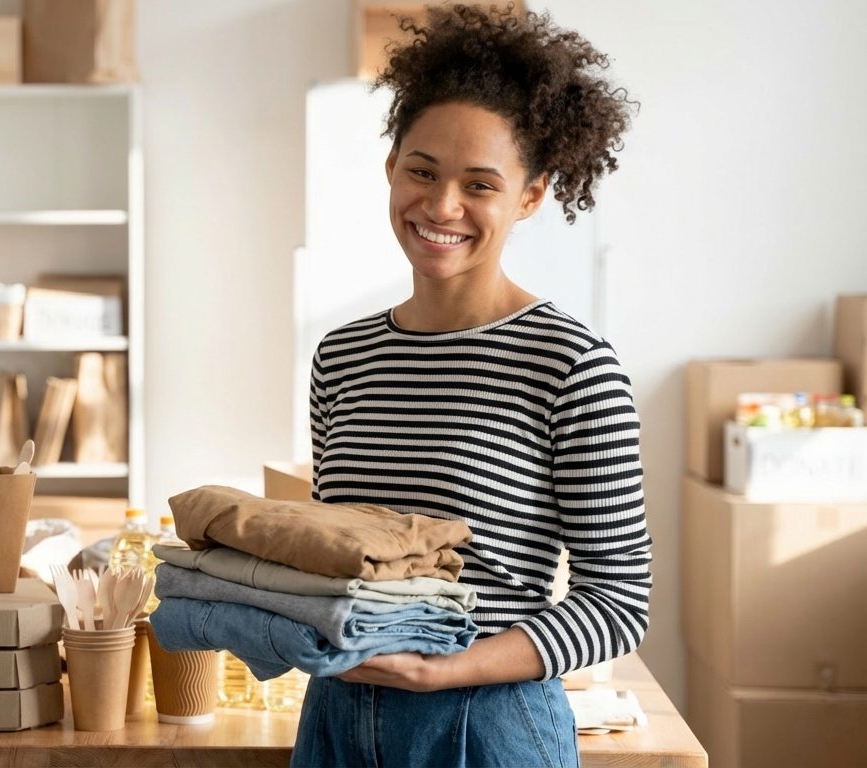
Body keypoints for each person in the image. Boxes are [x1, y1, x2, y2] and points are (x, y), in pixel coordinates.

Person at [296, 5, 652, 767]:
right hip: (335, 717)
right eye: (422, 170)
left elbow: (619, 603)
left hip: (484, 725)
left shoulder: (571, 364)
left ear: (530, 196)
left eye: (479, 184)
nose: (441, 206)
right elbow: (344, 558)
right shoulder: (344, 356)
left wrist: (443, 672)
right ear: (391, 165)